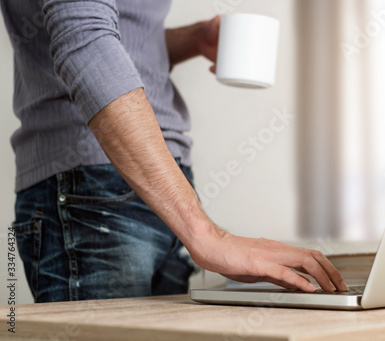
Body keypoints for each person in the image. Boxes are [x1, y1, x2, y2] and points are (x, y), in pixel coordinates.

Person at [1, 0, 347, 303]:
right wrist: (208, 235)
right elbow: (84, 39)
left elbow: (111, 33)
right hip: (90, 183)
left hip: (158, 178)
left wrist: (192, 39)